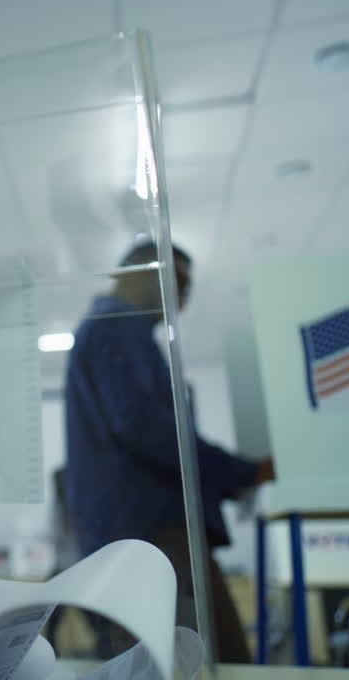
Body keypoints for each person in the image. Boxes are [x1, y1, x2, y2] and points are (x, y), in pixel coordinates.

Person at [62, 241, 274, 663]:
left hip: (142, 536)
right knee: (196, 664)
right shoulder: (116, 326)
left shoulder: (109, 330)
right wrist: (242, 472)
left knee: (189, 661)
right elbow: (149, 429)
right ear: (137, 272)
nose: (183, 296)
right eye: (175, 280)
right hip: (154, 536)